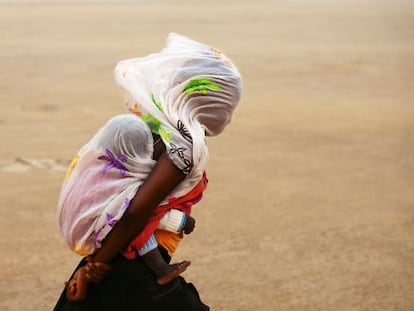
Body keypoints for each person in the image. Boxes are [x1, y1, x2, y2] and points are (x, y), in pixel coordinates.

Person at [54, 33, 242, 311]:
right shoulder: (182, 145)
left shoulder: (158, 127)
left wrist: (94, 264)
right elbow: (134, 213)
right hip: (130, 268)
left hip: (119, 257)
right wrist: (98, 264)